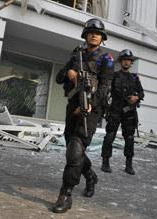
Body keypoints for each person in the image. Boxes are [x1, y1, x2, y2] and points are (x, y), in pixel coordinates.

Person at [53, 18, 114, 213]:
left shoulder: (107, 59)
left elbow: (105, 87)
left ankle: (66, 193)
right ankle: (90, 175)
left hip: (91, 109)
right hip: (72, 106)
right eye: (91, 32)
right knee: (72, 146)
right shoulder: (76, 54)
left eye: (98, 33)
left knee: (76, 149)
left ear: (102, 38)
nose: (95, 35)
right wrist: (70, 73)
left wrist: (89, 105)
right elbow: (58, 78)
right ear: (85, 35)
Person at [101, 49, 144, 175]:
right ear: (120, 62)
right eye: (124, 60)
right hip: (115, 109)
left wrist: (136, 97)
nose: (126, 62)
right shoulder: (114, 75)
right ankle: (105, 162)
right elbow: (106, 90)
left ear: (131, 63)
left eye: (129, 60)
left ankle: (129, 165)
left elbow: (141, 92)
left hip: (129, 112)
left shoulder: (134, 77)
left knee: (129, 138)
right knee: (110, 136)